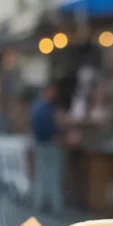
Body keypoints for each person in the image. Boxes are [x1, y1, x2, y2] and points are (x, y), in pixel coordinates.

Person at [30, 83, 65, 213]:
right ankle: (54, 205)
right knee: (51, 176)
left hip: (42, 144)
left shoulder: (39, 107)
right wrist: (57, 133)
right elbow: (47, 127)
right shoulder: (45, 108)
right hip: (48, 144)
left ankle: (42, 204)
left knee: (43, 175)